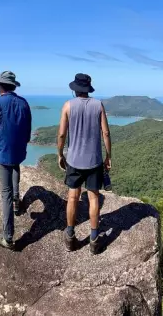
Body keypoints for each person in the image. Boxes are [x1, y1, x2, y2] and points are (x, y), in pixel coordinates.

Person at [57, 73, 112, 253]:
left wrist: (60, 154)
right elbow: (106, 133)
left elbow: (62, 135)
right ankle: (94, 239)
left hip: (74, 160)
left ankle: (70, 236)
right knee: (93, 197)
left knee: (73, 196)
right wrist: (108, 156)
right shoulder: (98, 105)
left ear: (75, 89)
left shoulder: (68, 105)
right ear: (88, 89)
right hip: (94, 160)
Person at [0, 71, 32, 250]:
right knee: (16, 167)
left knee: (5, 192)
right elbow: (27, 131)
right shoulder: (23, 103)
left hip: (3, 152)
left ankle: (8, 237)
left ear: (0, 86)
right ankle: (17, 201)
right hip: (18, 150)